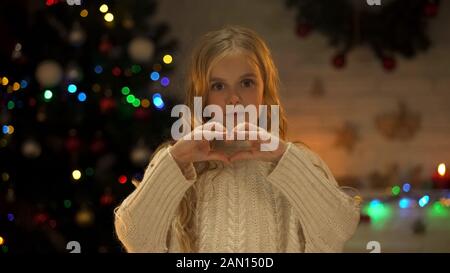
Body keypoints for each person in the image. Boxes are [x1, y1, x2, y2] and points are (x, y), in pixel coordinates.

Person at [114, 25, 360, 253]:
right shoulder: (175, 162)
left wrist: (285, 159)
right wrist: (175, 161)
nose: (233, 99)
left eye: (246, 83)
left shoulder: (297, 160)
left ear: (265, 90)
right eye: (218, 86)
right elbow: (136, 238)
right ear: (203, 95)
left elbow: (337, 230)